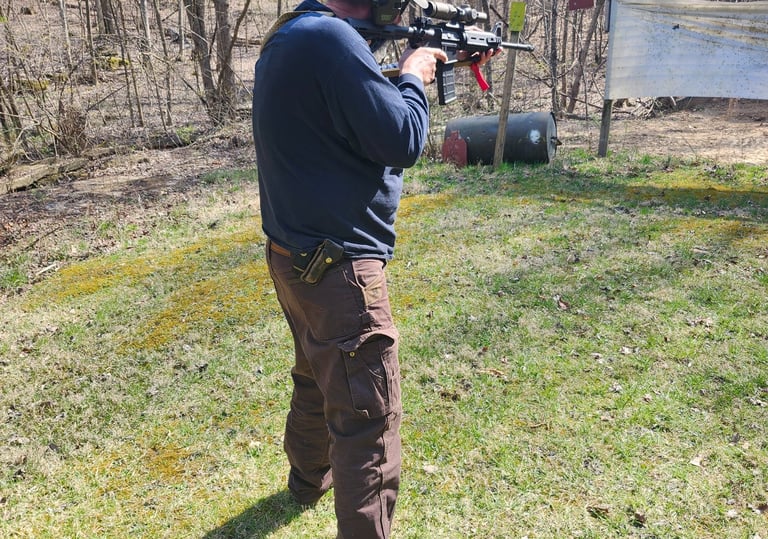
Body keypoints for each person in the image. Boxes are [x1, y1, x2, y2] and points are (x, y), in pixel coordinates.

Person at [251, 0, 497, 536]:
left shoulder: (297, 33)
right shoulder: (333, 42)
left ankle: (305, 480)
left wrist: (433, 58)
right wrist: (413, 75)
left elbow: (349, 96)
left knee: (317, 380)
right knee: (368, 424)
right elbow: (402, 139)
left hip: (295, 259)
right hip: (341, 273)